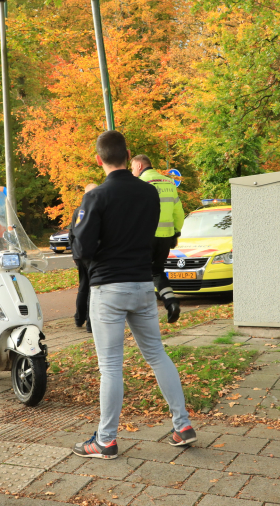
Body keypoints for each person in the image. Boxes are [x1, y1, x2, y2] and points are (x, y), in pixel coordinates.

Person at [71, 131, 195, 459]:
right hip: (142, 284)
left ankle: (106, 441)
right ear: (128, 155)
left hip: (108, 288)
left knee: (111, 366)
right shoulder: (150, 193)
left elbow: (82, 250)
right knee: (157, 355)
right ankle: (182, 425)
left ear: (99, 159)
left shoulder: (96, 197)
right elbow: (156, 238)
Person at [130, 155, 183, 323]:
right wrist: (176, 232)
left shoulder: (141, 183)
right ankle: (171, 302)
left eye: (132, 168)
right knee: (157, 271)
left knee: (139, 272)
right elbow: (178, 212)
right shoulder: (169, 183)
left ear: (139, 166)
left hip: (147, 236)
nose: (132, 172)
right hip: (166, 236)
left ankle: (142, 313)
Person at [68, 183, 98, 333]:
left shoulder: (77, 211)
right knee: (93, 287)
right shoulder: (96, 209)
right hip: (92, 254)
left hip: (79, 254)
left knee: (83, 285)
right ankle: (91, 323)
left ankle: (79, 318)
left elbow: (71, 233)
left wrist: (74, 253)